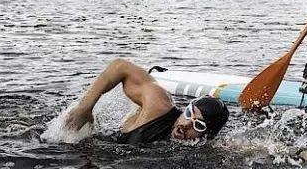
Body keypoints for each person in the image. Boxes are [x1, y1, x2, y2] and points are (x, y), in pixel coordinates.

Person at [64, 58, 228, 144]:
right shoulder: (158, 106)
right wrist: (85, 107)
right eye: (188, 113)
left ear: (207, 136)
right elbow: (121, 66)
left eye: (198, 125)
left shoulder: (202, 146)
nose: (185, 125)